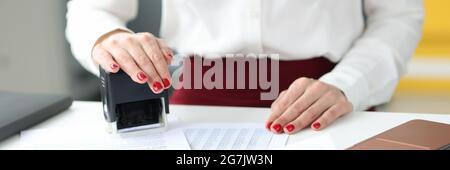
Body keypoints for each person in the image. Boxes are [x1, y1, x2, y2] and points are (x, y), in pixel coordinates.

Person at [66, 0, 424, 134]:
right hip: (194, 106)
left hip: (327, 98)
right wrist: (108, 37)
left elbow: (398, 15)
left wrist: (350, 83)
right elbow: (92, 9)